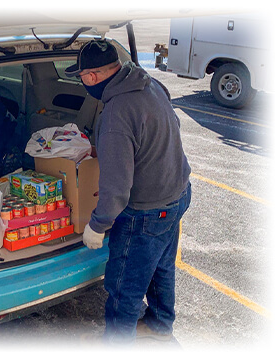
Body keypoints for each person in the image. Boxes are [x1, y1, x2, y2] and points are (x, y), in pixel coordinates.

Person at [65, 40, 191, 344]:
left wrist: (98, 225)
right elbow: (166, 128)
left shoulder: (115, 114)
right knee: (161, 268)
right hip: (177, 194)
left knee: (124, 285)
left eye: (80, 76)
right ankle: (160, 326)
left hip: (146, 212)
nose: (81, 82)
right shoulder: (150, 84)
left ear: (92, 77)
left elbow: (117, 187)